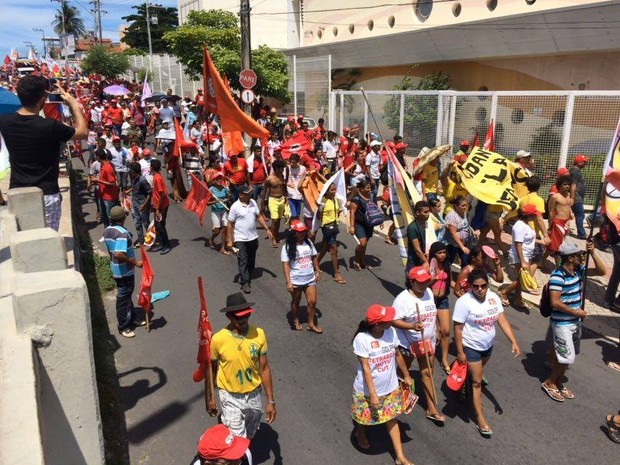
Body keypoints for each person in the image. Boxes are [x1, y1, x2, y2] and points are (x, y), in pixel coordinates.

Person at [0, 75, 87, 231]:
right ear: (42, 99)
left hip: (17, 193)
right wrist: (74, 105)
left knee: (23, 240)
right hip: (46, 195)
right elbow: (82, 132)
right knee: (48, 241)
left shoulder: (5, 121)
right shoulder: (50, 126)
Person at [453, 269, 521, 436]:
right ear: (470, 286)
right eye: (476, 287)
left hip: (488, 346)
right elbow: (458, 329)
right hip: (471, 347)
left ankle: (465, 382)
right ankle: (480, 418)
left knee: (474, 375)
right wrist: (460, 352)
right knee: (477, 382)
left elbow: (502, 320)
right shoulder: (464, 302)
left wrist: (513, 341)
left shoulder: (493, 297)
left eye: (483, 286)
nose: (480, 289)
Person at [541, 241, 605, 402]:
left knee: (567, 356)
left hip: (575, 322)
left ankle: (558, 380)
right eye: (579, 255)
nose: (582, 257)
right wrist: (576, 312)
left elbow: (601, 271)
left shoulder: (579, 271)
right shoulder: (557, 276)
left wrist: (593, 253)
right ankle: (550, 382)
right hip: (562, 323)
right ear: (570, 258)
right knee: (566, 358)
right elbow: (555, 302)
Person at [206, 293, 276, 439]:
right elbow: (211, 369)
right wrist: (210, 398)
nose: (244, 320)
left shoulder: (259, 334)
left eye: (247, 315)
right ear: (229, 317)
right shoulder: (218, 339)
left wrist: (270, 401)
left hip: (253, 394)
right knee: (238, 438)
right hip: (229, 395)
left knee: (250, 434)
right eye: (239, 317)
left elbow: (264, 368)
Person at [351, 304, 414, 465]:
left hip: (390, 388)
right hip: (367, 390)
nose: (391, 322)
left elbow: (397, 354)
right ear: (377, 324)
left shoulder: (390, 332)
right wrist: (372, 394)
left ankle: (400, 456)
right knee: (363, 418)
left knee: (391, 418)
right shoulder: (362, 339)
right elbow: (366, 369)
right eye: (387, 320)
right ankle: (361, 432)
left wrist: (406, 375)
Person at [391, 266, 445, 424]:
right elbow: (394, 321)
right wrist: (412, 327)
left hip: (427, 343)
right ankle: (397, 399)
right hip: (407, 345)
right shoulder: (402, 300)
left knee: (427, 373)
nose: (424, 285)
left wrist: (437, 328)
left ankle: (431, 408)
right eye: (420, 282)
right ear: (411, 282)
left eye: (426, 281)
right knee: (403, 374)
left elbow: (433, 312)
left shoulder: (428, 293)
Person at [103, 206, 145, 338]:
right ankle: (123, 326)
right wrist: (135, 263)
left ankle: (132, 318)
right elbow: (119, 254)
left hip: (115, 268)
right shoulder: (122, 233)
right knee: (123, 298)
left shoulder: (108, 230)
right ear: (123, 218)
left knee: (127, 295)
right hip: (124, 270)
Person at [498, 205, 546, 310]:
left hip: (526, 256)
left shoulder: (525, 224)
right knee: (521, 280)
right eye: (535, 214)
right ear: (529, 215)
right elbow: (518, 244)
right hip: (519, 256)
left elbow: (527, 239)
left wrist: (541, 241)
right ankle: (504, 292)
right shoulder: (520, 226)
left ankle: (517, 299)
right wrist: (523, 261)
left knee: (521, 279)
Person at [227, 185, 273, 294]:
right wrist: (230, 240)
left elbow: (258, 216)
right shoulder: (235, 207)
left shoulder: (252, 202)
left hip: (253, 237)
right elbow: (229, 224)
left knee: (251, 259)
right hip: (240, 239)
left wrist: (267, 228)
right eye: (247, 193)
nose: (250, 194)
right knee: (243, 259)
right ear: (241, 195)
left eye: (250, 193)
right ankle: (245, 282)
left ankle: (249, 273)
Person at [281, 220, 322, 333]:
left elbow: (314, 257)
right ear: (293, 233)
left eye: (303, 231)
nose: (302, 234)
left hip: (309, 279)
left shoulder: (308, 242)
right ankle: (295, 319)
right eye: (299, 232)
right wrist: (288, 282)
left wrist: (318, 270)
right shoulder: (287, 247)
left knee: (312, 301)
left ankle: (311, 324)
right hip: (296, 280)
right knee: (296, 301)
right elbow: (285, 265)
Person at [428, 241, 454, 374]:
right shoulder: (428, 265)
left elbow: (451, 281)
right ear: (434, 253)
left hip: (443, 300)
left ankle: (444, 359)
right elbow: (423, 282)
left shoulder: (447, 265)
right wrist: (432, 279)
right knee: (434, 333)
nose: (443, 255)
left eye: (444, 252)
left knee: (446, 331)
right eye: (440, 253)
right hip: (430, 301)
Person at [314, 183, 346, 284]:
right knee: (333, 248)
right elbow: (318, 217)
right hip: (326, 227)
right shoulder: (322, 201)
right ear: (326, 191)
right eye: (332, 190)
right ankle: (336, 274)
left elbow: (338, 211)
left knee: (326, 246)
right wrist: (320, 209)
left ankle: (316, 262)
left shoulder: (335, 199)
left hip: (334, 227)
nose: (334, 191)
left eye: (335, 189)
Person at [349, 180, 377, 271]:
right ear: (361, 189)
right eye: (367, 188)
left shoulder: (371, 196)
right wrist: (352, 226)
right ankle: (356, 261)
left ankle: (362, 261)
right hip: (359, 224)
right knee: (362, 243)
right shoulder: (356, 198)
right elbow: (352, 212)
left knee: (365, 244)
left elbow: (375, 207)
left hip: (369, 224)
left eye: (370, 188)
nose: (369, 190)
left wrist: (380, 220)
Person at [262, 159, 288, 248]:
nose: (283, 170)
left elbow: (283, 188)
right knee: (274, 220)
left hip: (281, 199)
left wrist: (286, 198)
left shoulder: (281, 176)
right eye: (282, 168)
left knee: (279, 220)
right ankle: (273, 239)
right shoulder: (269, 179)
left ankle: (276, 236)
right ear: (277, 168)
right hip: (273, 200)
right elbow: (264, 193)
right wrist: (262, 208)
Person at [445, 196, 477, 265]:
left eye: (466, 205)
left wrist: (472, 230)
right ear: (456, 206)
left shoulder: (463, 212)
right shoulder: (452, 217)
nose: (465, 207)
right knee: (449, 261)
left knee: (466, 261)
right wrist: (462, 247)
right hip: (453, 245)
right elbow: (453, 233)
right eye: (462, 205)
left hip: (463, 243)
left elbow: (465, 224)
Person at [547, 174, 574, 256]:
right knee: (556, 245)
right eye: (565, 184)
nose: (567, 186)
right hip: (558, 223)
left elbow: (568, 206)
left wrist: (571, 212)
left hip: (566, 222)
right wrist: (550, 226)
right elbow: (551, 212)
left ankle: (542, 261)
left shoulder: (568, 195)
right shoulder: (555, 197)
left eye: (568, 184)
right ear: (559, 185)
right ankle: (557, 264)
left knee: (559, 243)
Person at [150, 159, 171, 255]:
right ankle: (161, 244)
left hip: (161, 206)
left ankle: (166, 245)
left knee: (161, 226)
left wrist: (158, 209)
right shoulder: (156, 176)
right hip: (157, 206)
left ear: (152, 167)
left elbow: (162, 194)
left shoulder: (157, 178)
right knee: (157, 226)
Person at [128, 162, 151, 248]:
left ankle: (152, 239)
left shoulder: (142, 180)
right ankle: (141, 241)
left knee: (146, 223)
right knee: (137, 224)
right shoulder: (134, 178)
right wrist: (128, 191)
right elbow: (134, 187)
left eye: (131, 170)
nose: (130, 172)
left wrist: (144, 205)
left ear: (134, 171)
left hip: (142, 206)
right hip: (135, 205)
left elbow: (149, 193)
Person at [208, 173, 231, 254]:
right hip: (215, 212)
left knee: (224, 229)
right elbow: (207, 203)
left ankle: (222, 248)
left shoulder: (224, 188)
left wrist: (226, 200)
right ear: (214, 181)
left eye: (220, 179)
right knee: (217, 231)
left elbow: (228, 197)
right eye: (217, 179)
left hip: (224, 211)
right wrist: (215, 201)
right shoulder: (211, 190)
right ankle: (211, 239)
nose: (220, 180)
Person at [95, 148, 119, 228]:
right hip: (102, 196)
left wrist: (98, 180)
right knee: (105, 217)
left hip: (108, 198)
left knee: (110, 217)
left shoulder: (107, 167)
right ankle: (107, 233)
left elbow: (112, 183)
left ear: (98, 157)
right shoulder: (103, 166)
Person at [406, 200, 431, 271]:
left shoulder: (428, 224)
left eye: (429, 211)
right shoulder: (412, 227)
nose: (428, 214)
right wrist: (426, 262)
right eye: (425, 212)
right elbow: (417, 249)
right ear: (417, 213)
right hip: (415, 261)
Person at [570, 154, 589, 239]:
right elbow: (573, 185)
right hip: (576, 198)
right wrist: (572, 198)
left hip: (576, 197)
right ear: (580, 163)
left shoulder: (575, 170)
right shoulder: (575, 171)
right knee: (580, 215)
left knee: (578, 215)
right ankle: (581, 234)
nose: (586, 163)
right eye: (584, 162)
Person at [286, 153, 307, 220]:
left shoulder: (303, 168)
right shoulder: (286, 168)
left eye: (294, 162)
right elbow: (282, 180)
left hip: (299, 194)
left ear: (298, 161)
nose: (292, 164)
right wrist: (288, 184)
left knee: (297, 214)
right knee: (293, 213)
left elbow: (305, 179)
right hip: (290, 194)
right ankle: (292, 227)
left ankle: (296, 228)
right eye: (291, 162)